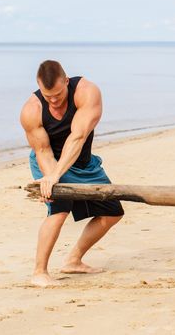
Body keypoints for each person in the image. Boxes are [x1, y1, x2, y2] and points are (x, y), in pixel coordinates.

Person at [20, 60, 124, 287]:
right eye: (48, 97)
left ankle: (73, 260)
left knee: (112, 212)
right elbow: (42, 150)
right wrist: (51, 178)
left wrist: (57, 173)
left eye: (58, 94)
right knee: (59, 209)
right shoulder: (31, 110)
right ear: (39, 87)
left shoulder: (87, 92)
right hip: (49, 163)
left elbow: (78, 136)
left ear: (66, 81)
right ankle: (39, 272)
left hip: (83, 162)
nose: (54, 100)